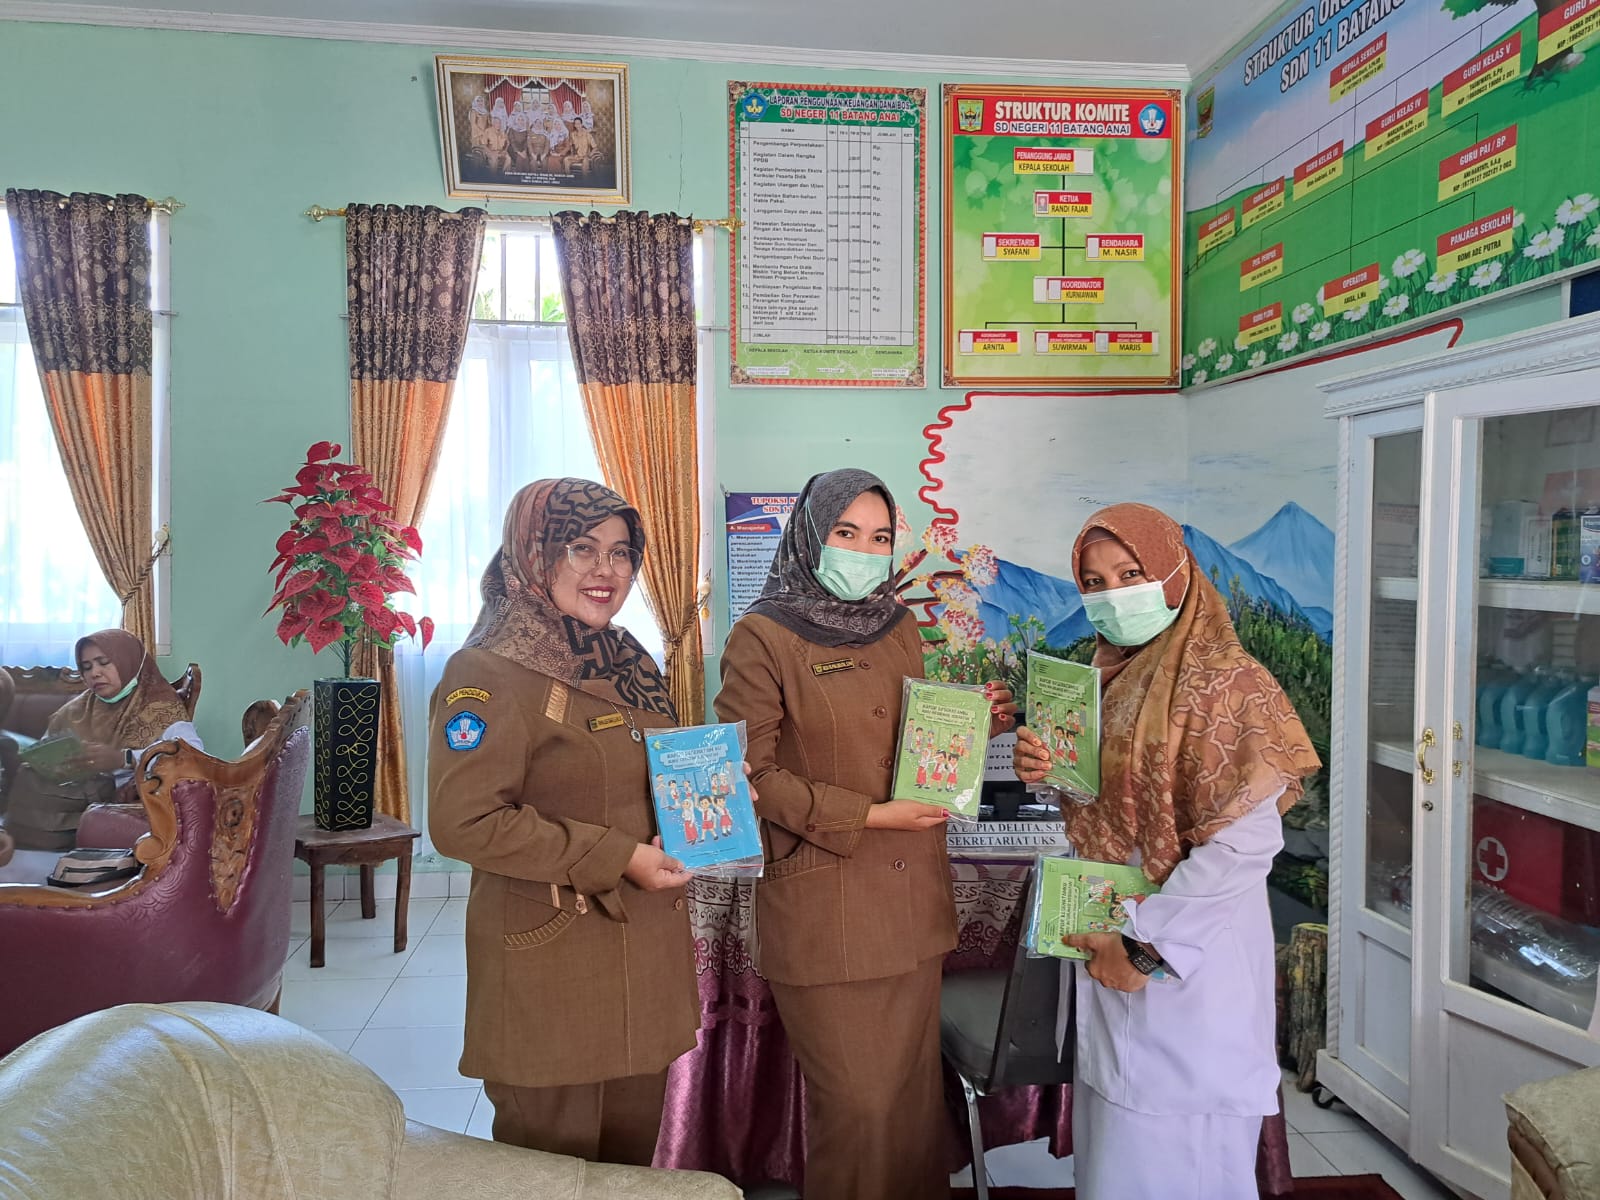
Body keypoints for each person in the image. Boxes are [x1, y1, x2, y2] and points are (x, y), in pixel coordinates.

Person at [715, 467, 1014, 1200]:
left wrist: (975, 722)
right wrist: (870, 817)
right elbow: (747, 776)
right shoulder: (762, 636)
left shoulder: (898, 627)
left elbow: (912, 743)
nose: (864, 550)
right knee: (860, 1111)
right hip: (828, 913)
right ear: (812, 535)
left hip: (914, 910)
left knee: (912, 1113)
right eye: (846, 533)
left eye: (880, 537)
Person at [1011, 503, 1320, 1200]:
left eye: (1131, 573)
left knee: (1183, 1168)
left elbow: (1242, 846)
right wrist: (1050, 765)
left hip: (1183, 968)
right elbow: (1114, 805)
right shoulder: (1117, 674)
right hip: (1113, 949)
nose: (1113, 595)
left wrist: (1145, 947)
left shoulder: (1228, 685)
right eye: (1093, 582)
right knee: (1116, 1163)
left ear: (1177, 572)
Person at [428, 477, 702, 1166]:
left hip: (642, 958)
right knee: (551, 1166)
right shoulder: (488, 672)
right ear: (534, 552)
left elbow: (635, 779)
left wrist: (711, 793)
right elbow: (466, 823)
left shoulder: (629, 661)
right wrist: (617, 856)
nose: (605, 572)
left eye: (620, 553)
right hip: (552, 969)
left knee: (628, 1168)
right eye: (581, 548)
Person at [1, 630, 200, 852]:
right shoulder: (76, 710)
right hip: (69, 796)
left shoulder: (160, 706)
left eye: (103, 663)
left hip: (122, 803)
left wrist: (124, 759)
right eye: (86, 667)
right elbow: (46, 749)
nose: (95, 673)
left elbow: (191, 758)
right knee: (25, 776)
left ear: (128, 662)